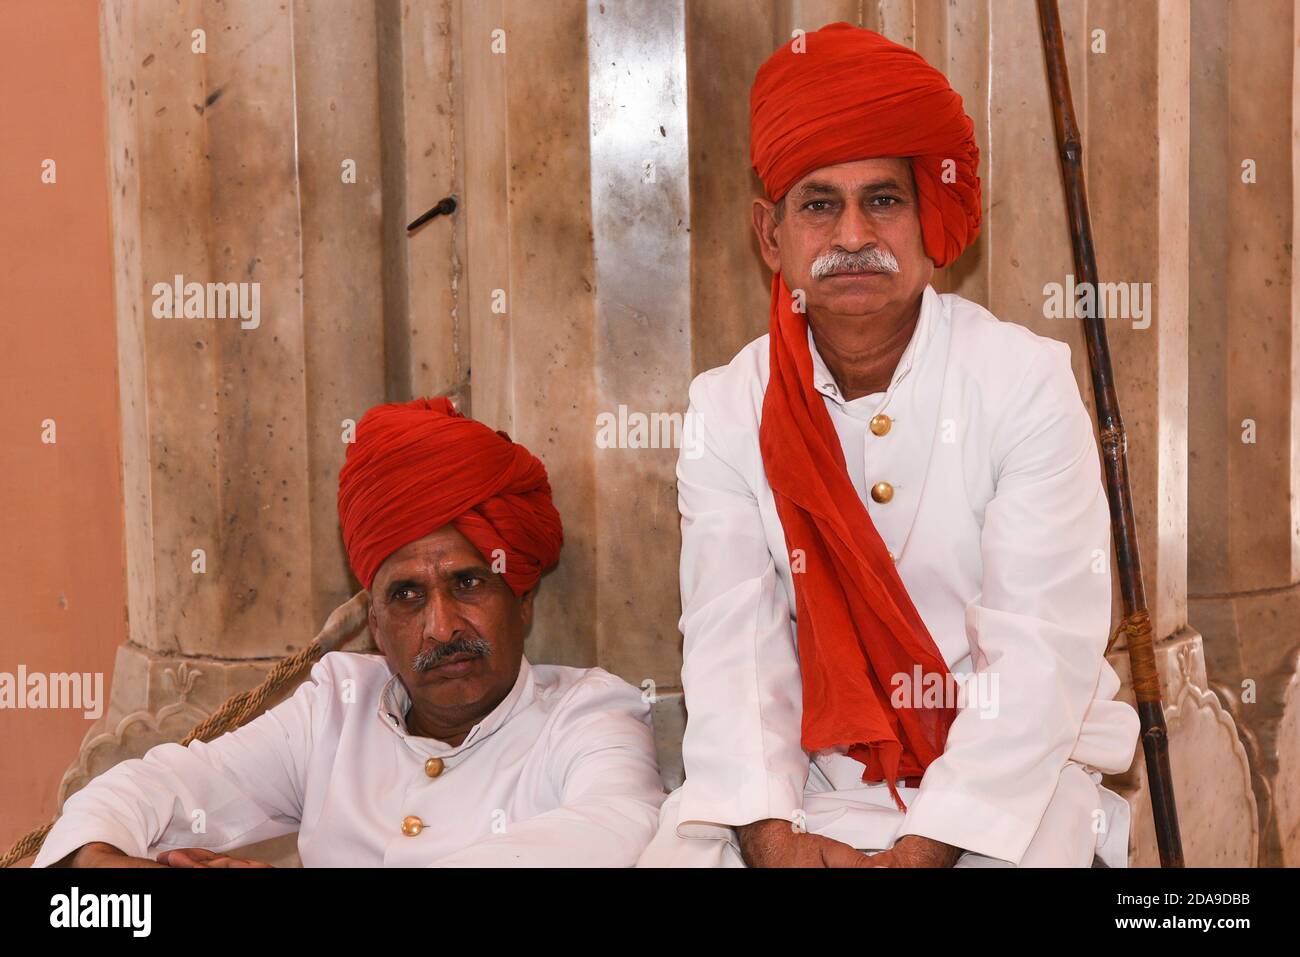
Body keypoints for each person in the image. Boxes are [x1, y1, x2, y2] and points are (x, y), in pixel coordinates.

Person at [638, 22, 1139, 868]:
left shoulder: (1022, 382)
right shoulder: (729, 407)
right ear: (772, 235)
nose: (851, 236)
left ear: (926, 216)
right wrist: (772, 837)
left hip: (1009, 785)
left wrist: (927, 845)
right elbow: (732, 646)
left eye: (884, 199)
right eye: (819, 204)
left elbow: (1039, 654)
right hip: (809, 786)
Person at [36, 397, 665, 868]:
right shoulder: (334, 711)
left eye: (470, 584)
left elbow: (618, 829)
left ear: (521, 600)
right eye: (407, 596)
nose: (442, 626)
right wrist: (99, 865)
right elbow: (161, 786)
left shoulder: (587, 714)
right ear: (375, 627)